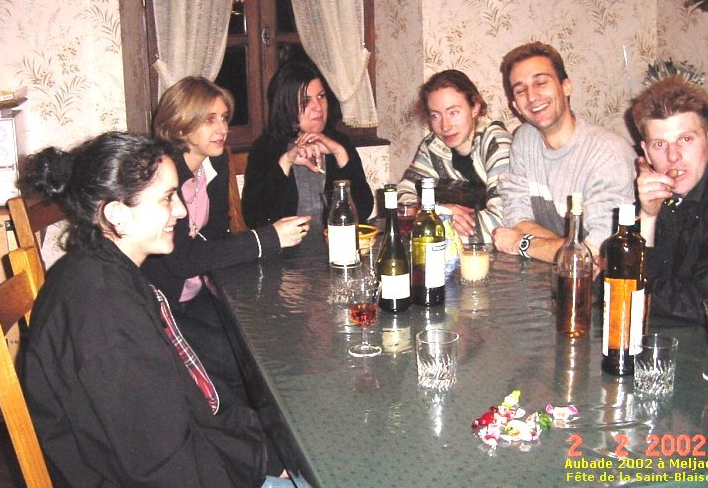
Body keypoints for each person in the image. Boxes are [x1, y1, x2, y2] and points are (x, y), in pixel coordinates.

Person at [22, 132, 299, 488]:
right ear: (116, 214)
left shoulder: (105, 272)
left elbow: (186, 402)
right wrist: (263, 461)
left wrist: (264, 449)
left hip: (180, 466)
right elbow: (163, 468)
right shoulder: (105, 312)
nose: (181, 211)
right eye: (168, 198)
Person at [144, 76, 310, 404]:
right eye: (209, 120)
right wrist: (267, 239)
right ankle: (236, 421)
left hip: (198, 289)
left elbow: (217, 233)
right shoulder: (161, 175)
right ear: (180, 126)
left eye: (223, 118)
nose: (222, 129)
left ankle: (278, 414)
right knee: (232, 357)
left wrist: (253, 246)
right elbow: (180, 260)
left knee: (262, 339)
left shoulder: (214, 161)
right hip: (163, 304)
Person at [493, 41, 636, 263]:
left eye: (541, 82)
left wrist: (522, 243)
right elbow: (515, 217)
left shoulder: (609, 154)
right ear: (515, 105)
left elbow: (600, 254)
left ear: (566, 86)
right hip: (552, 273)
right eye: (520, 90)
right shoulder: (524, 139)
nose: (532, 96)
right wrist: (569, 251)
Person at [632, 75, 708, 323]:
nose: (673, 156)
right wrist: (648, 217)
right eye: (660, 144)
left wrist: (621, 284)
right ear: (646, 153)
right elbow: (625, 267)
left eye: (686, 139)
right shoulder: (659, 189)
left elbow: (705, 303)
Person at [242, 60, 374, 228]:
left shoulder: (339, 142)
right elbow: (255, 219)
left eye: (321, 96)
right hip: (289, 244)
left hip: (333, 241)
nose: (318, 107)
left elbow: (363, 210)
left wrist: (340, 154)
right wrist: (286, 162)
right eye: (306, 100)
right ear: (285, 105)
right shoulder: (266, 148)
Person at [397, 69, 512, 242]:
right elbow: (402, 197)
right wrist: (436, 212)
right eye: (436, 115)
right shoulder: (433, 146)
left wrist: (438, 225)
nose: (445, 126)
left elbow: (504, 222)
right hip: (459, 248)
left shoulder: (496, 144)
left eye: (453, 112)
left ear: (475, 108)